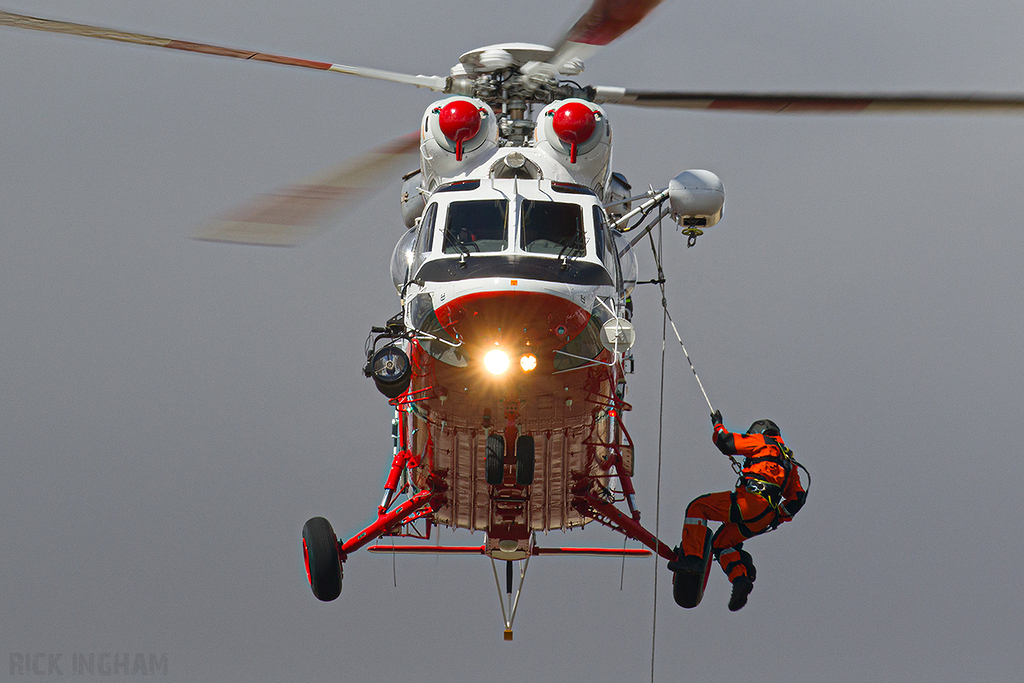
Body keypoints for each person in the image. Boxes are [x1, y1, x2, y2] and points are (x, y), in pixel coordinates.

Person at [669, 410, 807, 611]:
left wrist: (717, 424)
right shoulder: (789, 462)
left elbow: (725, 442)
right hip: (765, 516)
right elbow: (798, 498)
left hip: (749, 502)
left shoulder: (761, 442)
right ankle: (740, 579)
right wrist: (779, 516)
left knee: (697, 508)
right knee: (720, 544)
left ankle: (692, 560)